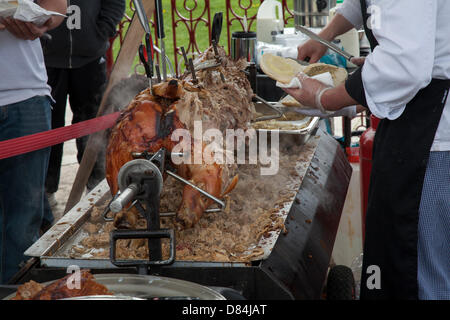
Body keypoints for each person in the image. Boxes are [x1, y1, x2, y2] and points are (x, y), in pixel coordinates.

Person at [286, 0, 450, 300]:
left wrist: (324, 98)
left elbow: (405, 67)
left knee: (423, 275)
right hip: (418, 124)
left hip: (431, 137)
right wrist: (326, 35)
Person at [0, 0, 67, 284]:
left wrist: (40, 19)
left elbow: (56, 7)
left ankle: (17, 289)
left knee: (24, 220)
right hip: (25, 100)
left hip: (25, 97)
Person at [42, 0, 125, 210]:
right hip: (47, 58)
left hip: (90, 58)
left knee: (93, 125)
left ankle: (96, 186)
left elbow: (114, 2)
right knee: (47, 127)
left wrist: (102, 30)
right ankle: (45, 190)